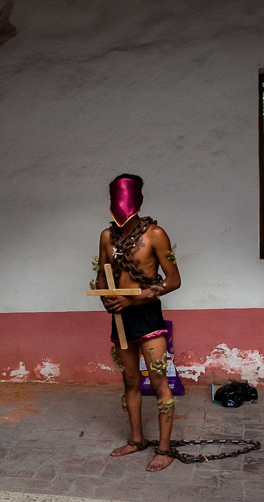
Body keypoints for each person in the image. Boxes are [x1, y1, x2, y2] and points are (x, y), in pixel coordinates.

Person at [95, 174, 181, 472]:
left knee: (158, 380)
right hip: (120, 317)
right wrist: (106, 299)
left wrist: (134, 299)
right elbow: (101, 278)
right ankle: (136, 440)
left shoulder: (155, 234)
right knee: (130, 380)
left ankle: (166, 449)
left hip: (146, 315)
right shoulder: (107, 237)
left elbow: (173, 281)